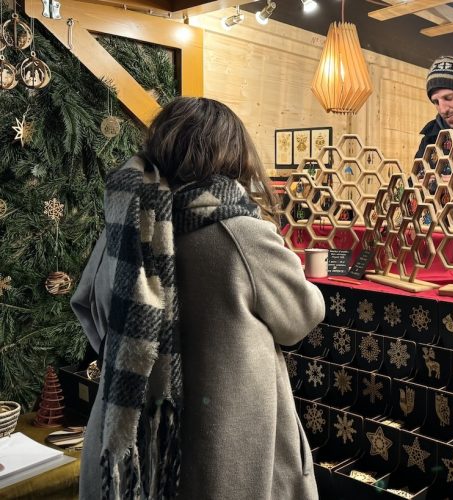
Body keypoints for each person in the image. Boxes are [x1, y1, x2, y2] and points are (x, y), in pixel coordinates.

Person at [71, 97, 325, 499]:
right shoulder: (240, 232)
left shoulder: (125, 228)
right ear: (233, 153)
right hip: (222, 449)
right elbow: (301, 316)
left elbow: (87, 304)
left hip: (127, 445)